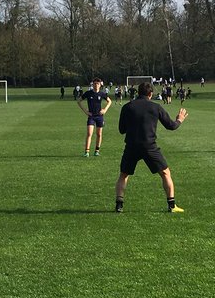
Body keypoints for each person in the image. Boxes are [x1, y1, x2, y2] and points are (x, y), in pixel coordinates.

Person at [115, 80, 187, 213]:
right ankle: (172, 206)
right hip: (149, 146)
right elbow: (171, 126)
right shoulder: (155, 107)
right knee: (165, 173)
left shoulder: (127, 107)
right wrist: (179, 120)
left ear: (138, 92)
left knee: (124, 175)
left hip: (131, 146)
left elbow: (121, 130)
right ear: (150, 94)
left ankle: (119, 205)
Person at [79, 77, 113, 157]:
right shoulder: (88, 93)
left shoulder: (102, 94)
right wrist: (86, 111)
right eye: (94, 84)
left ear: (100, 85)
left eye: (97, 84)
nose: (96, 85)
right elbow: (79, 101)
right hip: (91, 116)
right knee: (89, 133)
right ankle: (86, 152)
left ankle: (97, 150)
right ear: (92, 84)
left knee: (99, 134)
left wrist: (105, 109)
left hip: (99, 116)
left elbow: (109, 101)